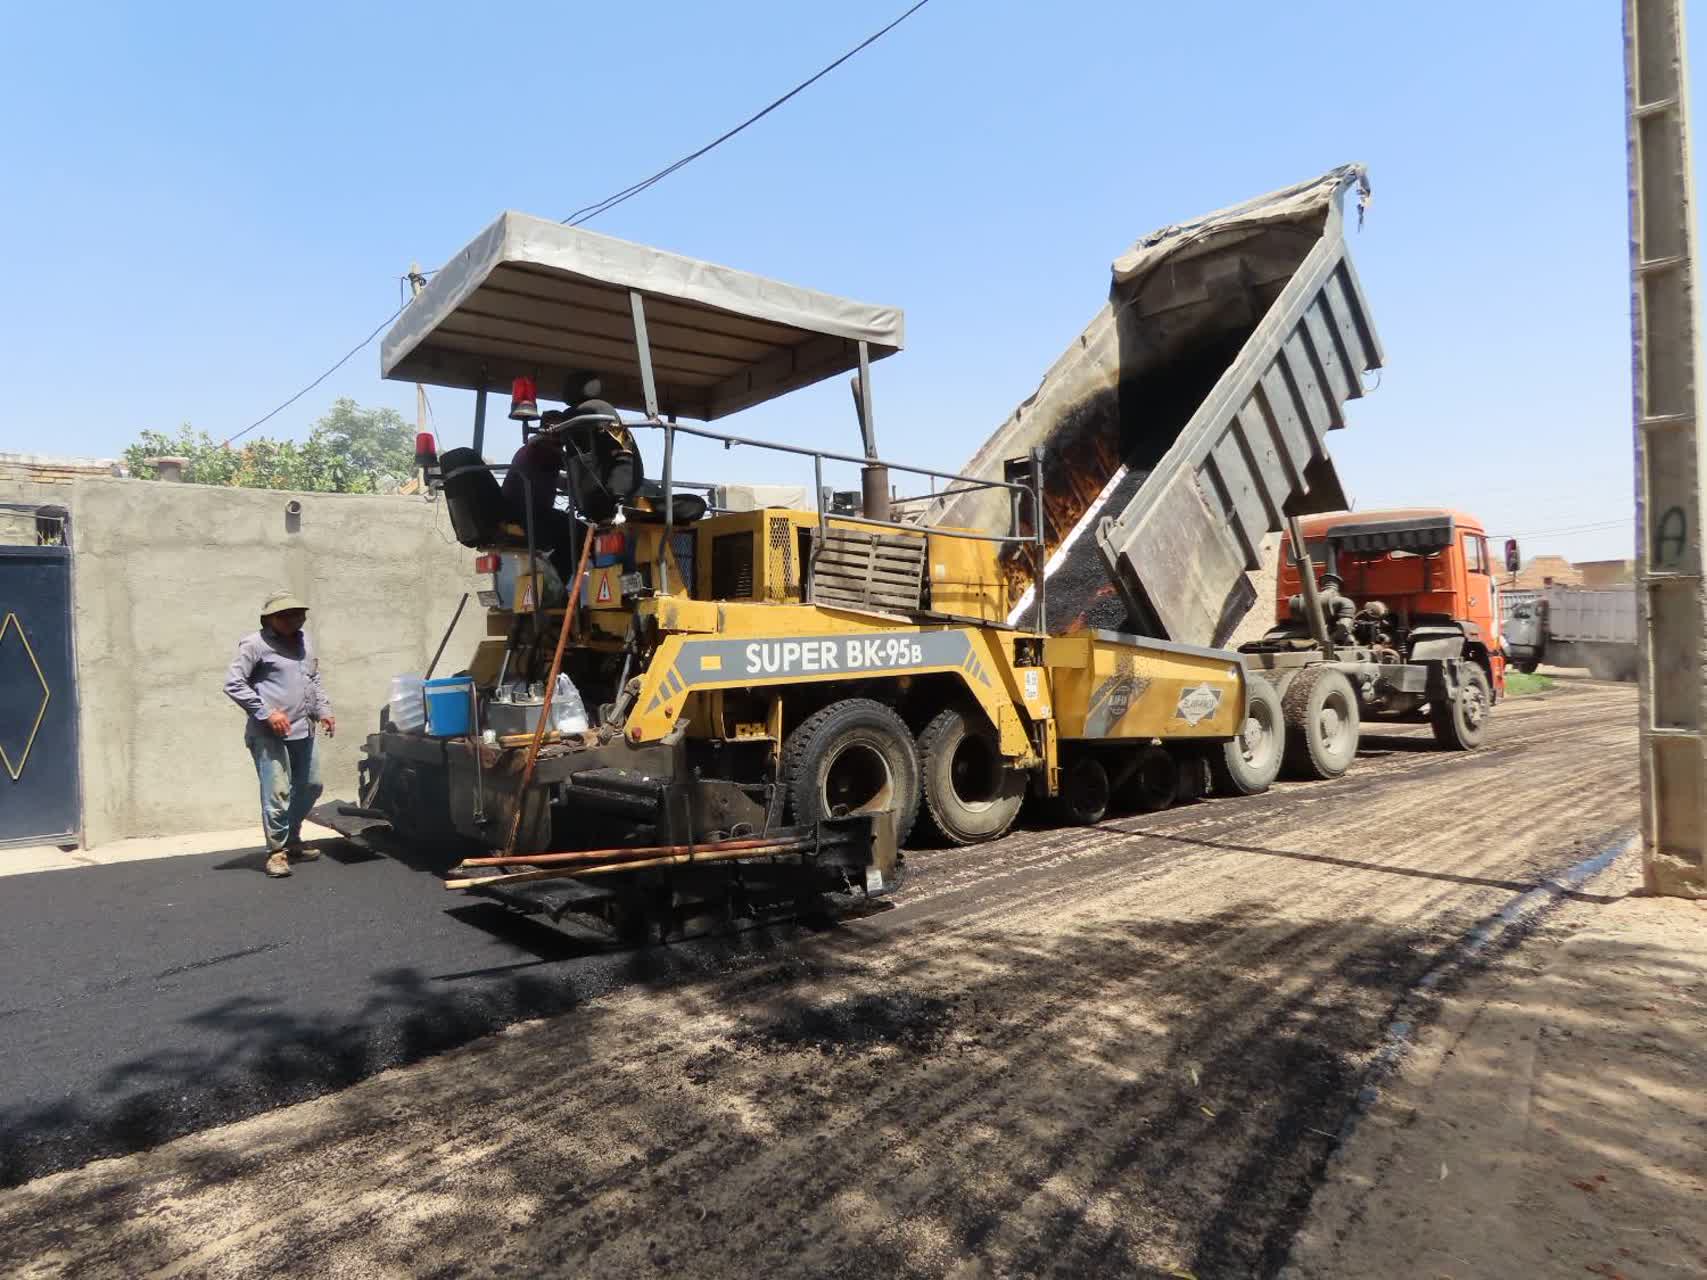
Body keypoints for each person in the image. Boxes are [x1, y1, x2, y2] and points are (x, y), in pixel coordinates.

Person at [222, 591, 334, 878]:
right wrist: (267, 713)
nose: (294, 619)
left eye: (298, 614)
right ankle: (277, 852)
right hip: (269, 733)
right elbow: (234, 683)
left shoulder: (303, 641)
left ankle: (291, 838)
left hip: (303, 728)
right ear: (270, 618)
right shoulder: (254, 645)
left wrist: (324, 710)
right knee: (277, 793)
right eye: (285, 615)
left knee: (311, 785)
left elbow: (313, 677)